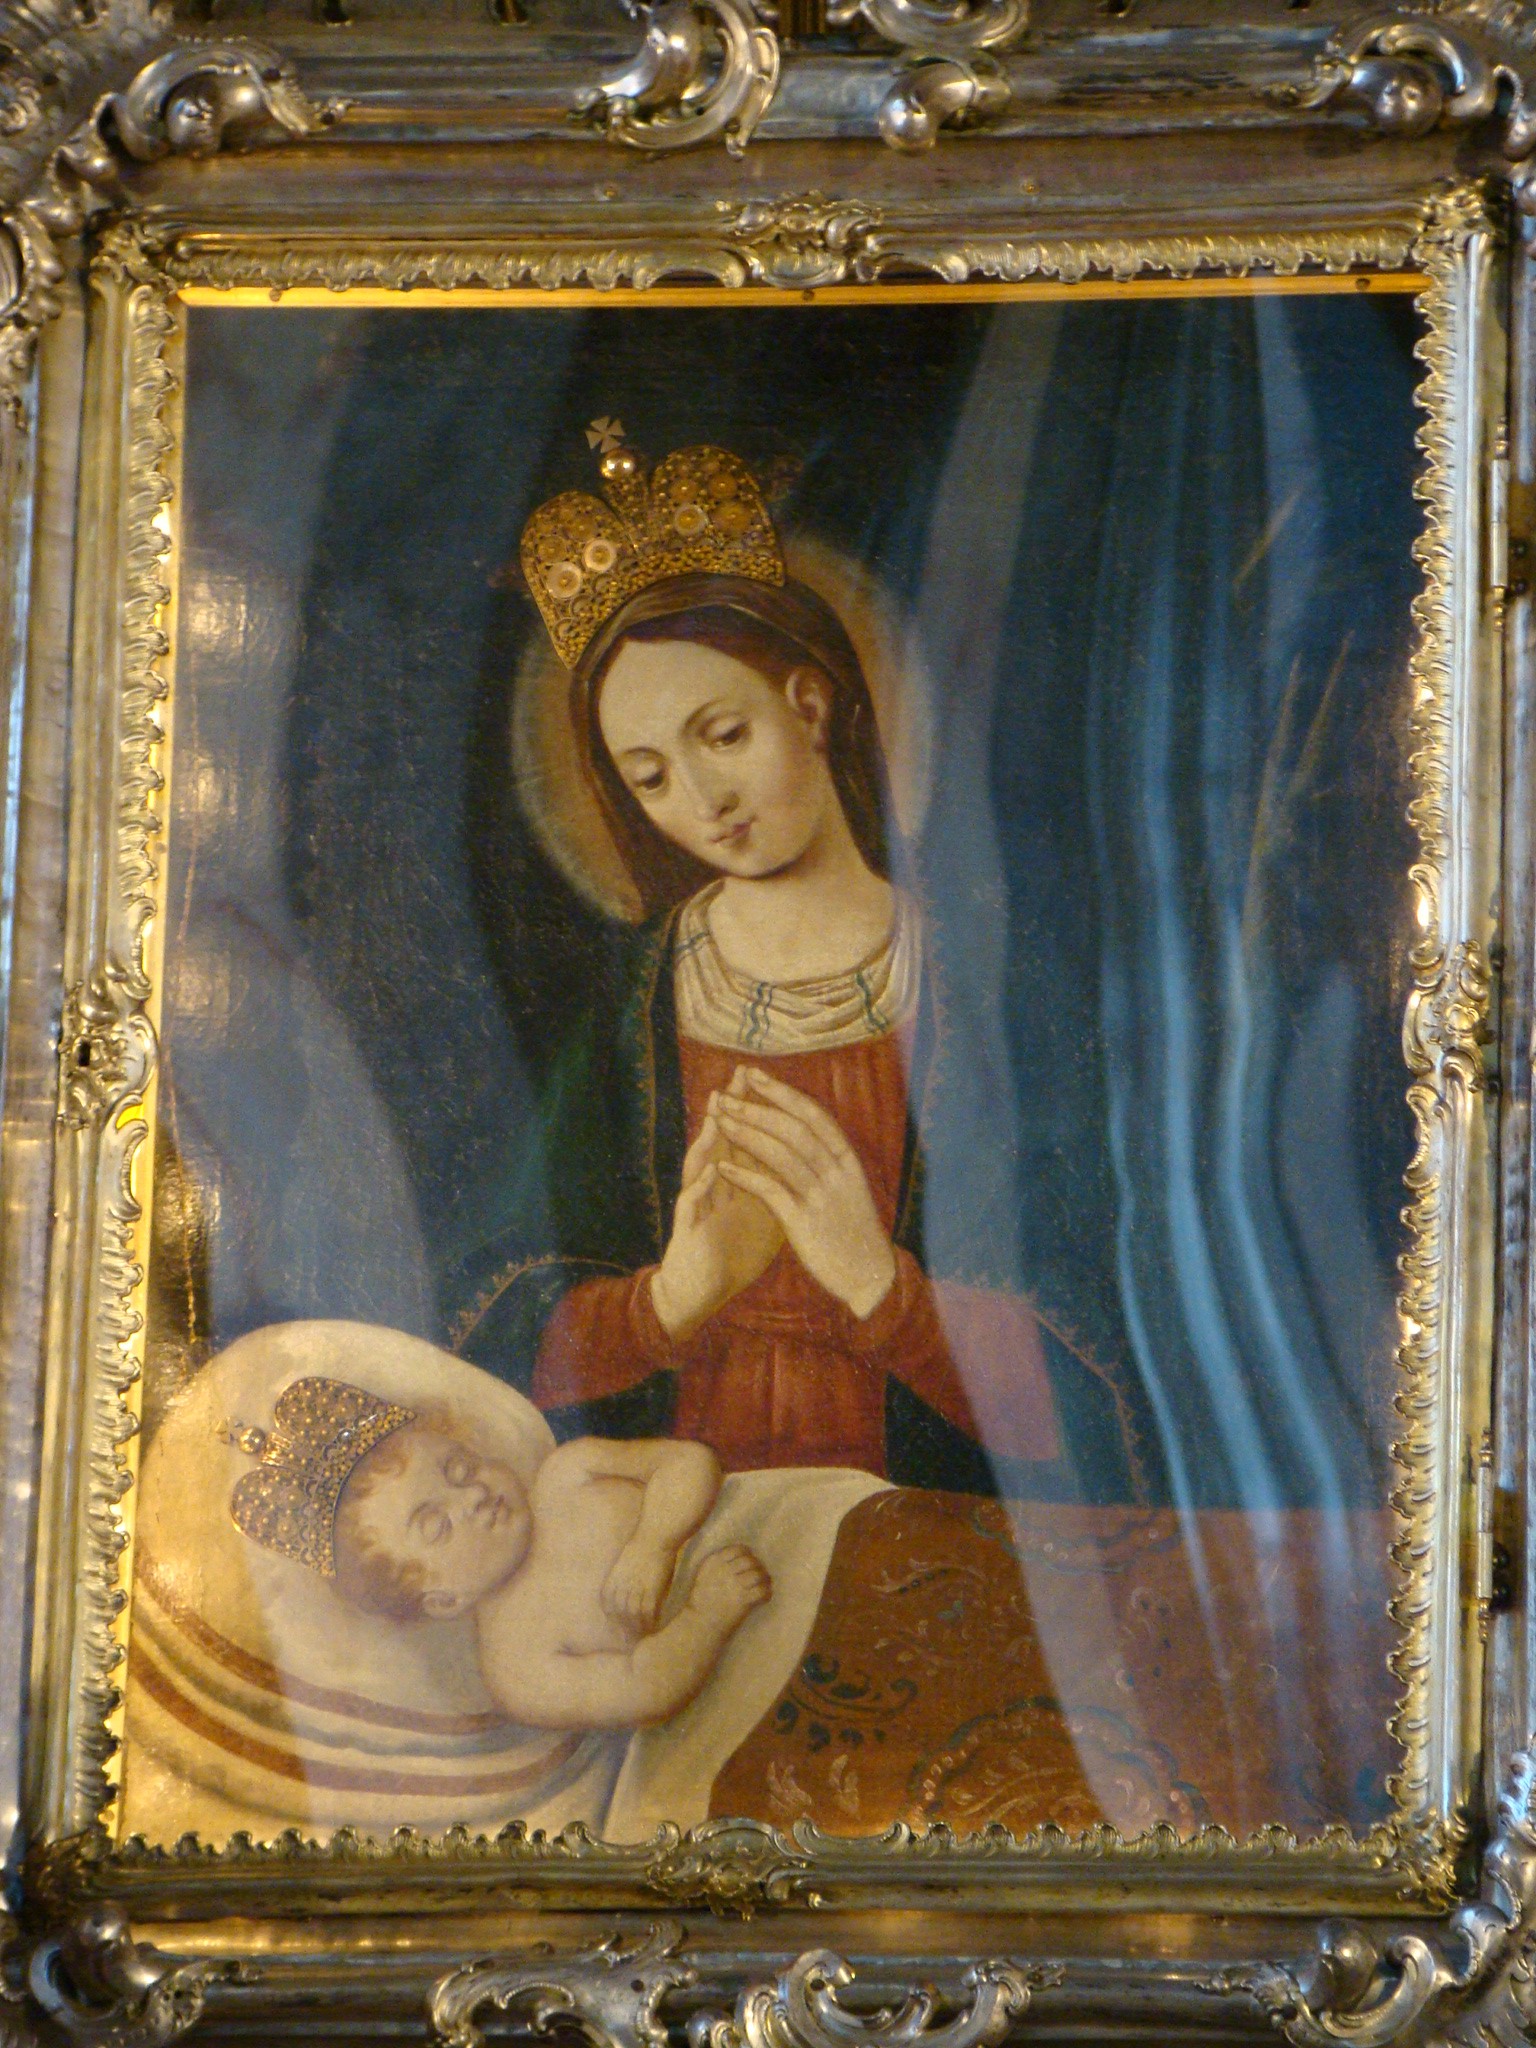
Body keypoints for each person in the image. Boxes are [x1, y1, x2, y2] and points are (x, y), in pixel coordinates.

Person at [454, 437, 1150, 1497]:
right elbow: (496, 1333)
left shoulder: (984, 989)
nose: (704, 799)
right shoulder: (638, 1007)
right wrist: (669, 1300)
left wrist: (878, 1284)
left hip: (924, 1522)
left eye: (724, 734)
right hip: (681, 1520)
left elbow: (1112, 1373)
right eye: (650, 777)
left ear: (812, 706)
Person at [228, 1374, 772, 1730]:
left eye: (460, 1468)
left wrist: (655, 1544)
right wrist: (705, 1614)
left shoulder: (568, 1474)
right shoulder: (517, 1668)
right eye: (437, 1525)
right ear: (443, 1598)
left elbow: (689, 1463)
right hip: (739, 1682)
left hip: (772, 1522)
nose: (472, 1497)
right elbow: (643, 1689)